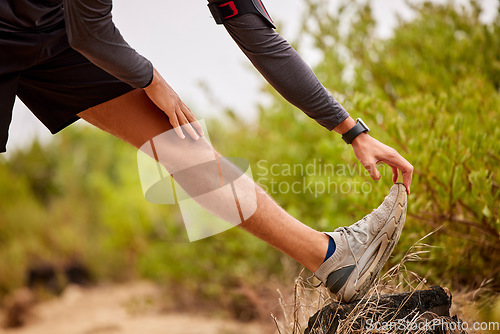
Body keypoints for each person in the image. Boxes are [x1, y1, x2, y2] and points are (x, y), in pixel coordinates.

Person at [0, 0, 413, 302]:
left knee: (177, 138)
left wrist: (352, 131)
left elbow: (263, 43)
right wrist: (152, 80)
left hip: (55, 27)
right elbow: (92, 34)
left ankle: (333, 259)